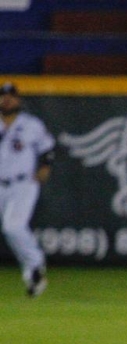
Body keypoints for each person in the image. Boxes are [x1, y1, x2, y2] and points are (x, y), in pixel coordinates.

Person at [1, 81, 55, 297]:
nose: (6, 99)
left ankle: (35, 268)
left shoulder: (31, 124)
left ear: (18, 99)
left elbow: (48, 148)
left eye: (11, 95)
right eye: (3, 95)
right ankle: (34, 270)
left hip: (23, 183)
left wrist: (45, 167)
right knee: (12, 227)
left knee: (13, 227)